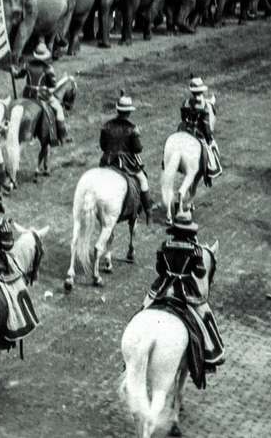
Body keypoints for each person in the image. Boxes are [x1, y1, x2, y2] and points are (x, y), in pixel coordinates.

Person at [142, 213, 224, 366]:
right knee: (204, 313)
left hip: (164, 287)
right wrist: (196, 262)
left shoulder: (164, 246)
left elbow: (160, 269)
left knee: (145, 306)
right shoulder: (195, 250)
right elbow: (200, 273)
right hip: (184, 289)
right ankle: (210, 349)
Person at [100, 93, 153, 213]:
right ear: (129, 112)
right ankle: (148, 210)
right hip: (126, 163)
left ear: (118, 110)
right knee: (143, 179)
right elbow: (137, 149)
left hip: (108, 160)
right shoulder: (132, 128)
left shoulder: (106, 126)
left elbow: (103, 146)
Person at [21, 41, 64, 150]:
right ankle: (63, 136)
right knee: (58, 109)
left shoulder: (27, 65)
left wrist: (13, 70)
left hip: (27, 94)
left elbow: (18, 75)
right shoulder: (48, 68)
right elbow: (53, 84)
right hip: (41, 95)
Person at [180, 77, 222, 183]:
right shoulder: (204, 105)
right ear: (202, 91)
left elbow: (183, 118)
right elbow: (206, 125)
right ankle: (208, 170)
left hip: (185, 130)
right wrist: (209, 138)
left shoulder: (186, 102)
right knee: (209, 148)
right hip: (197, 132)